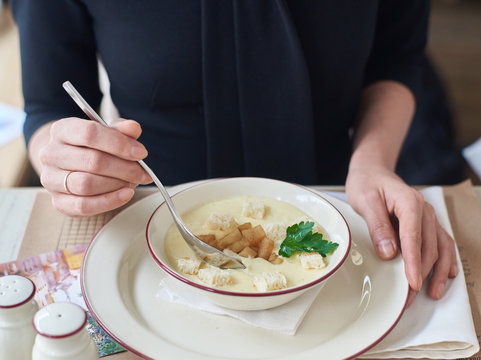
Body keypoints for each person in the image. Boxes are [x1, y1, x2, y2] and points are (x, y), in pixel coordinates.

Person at [11, 0, 458, 305]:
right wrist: (64, 157)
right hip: (147, 210)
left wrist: (373, 161)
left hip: (341, 191)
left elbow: (395, 60)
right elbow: (50, 104)